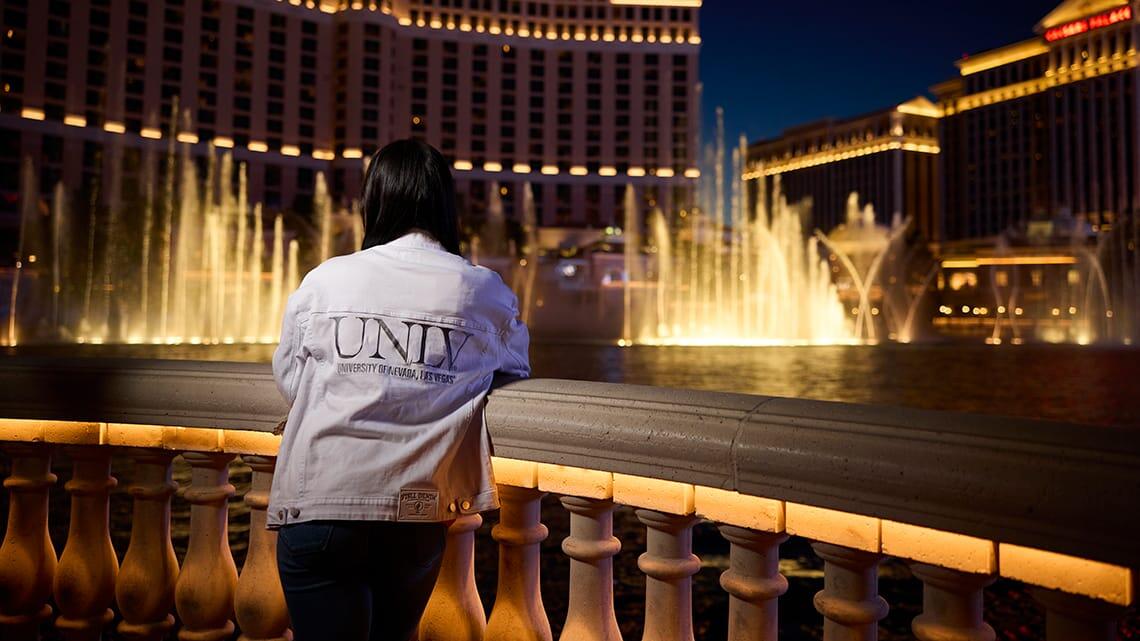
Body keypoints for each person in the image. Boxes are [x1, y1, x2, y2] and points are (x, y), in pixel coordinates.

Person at [268, 138, 530, 641]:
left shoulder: (326, 280)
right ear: (443, 206)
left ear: (375, 202)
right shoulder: (484, 290)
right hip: (415, 512)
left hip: (321, 503)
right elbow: (514, 365)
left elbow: (293, 382)